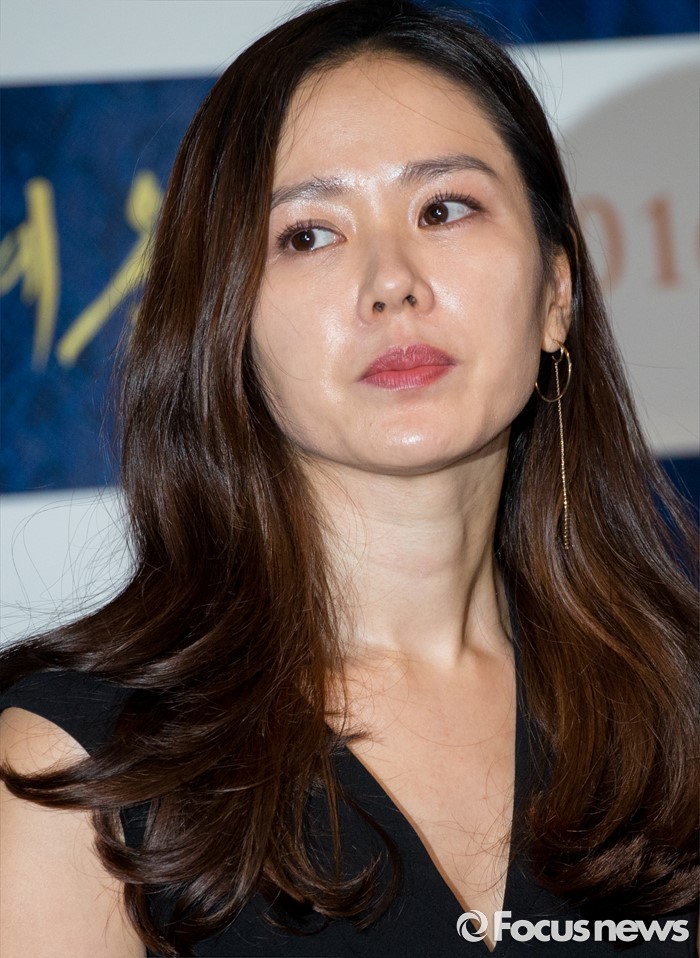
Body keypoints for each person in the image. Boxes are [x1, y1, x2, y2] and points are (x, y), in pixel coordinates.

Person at [1, 1, 697, 955]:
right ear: (227, 327)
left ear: (555, 293)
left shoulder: (676, 713)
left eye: (444, 209)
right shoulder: (75, 775)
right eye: (309, 234)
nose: (391, 281)